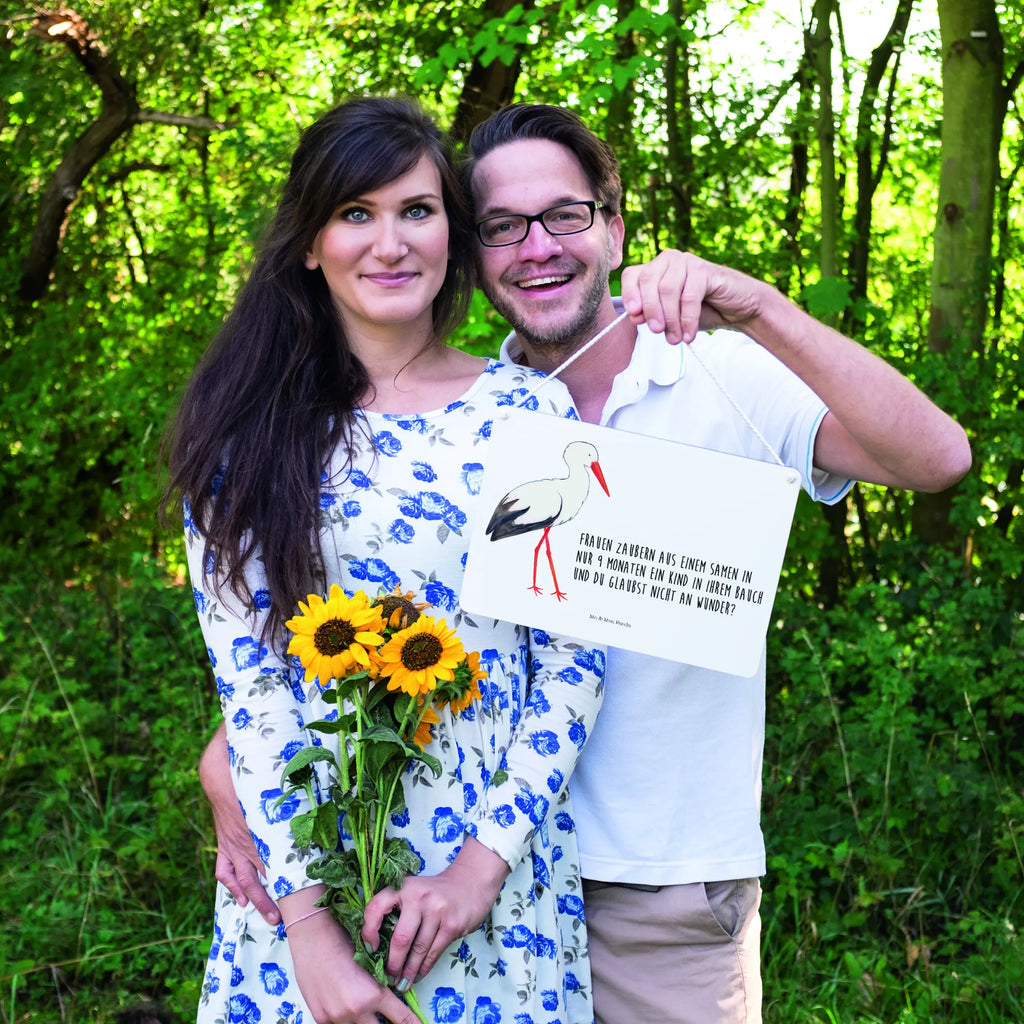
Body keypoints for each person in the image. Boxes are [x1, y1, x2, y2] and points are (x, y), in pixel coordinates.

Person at [201, 102, 972, 1023]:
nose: (536, 247)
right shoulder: (462, 417)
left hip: (652, 889)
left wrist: (760, 307)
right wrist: (235, 768)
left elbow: (938, 461)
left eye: (564, 215)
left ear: (612, 226)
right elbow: (341, 628)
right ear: (474, 251)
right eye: (502, 227)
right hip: (423, 875)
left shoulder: (711, 373)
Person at [164, 96, 608, 1024]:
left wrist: (478, 873)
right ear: (308, 243)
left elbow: (573, 660)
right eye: (355, 214)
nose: (390, 242)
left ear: (452, 228)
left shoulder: (530, 416)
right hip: (303, 887)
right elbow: (252, 690)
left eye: (417, 210)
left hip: (492, 889)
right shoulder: (246, 436)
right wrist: (311, 936)